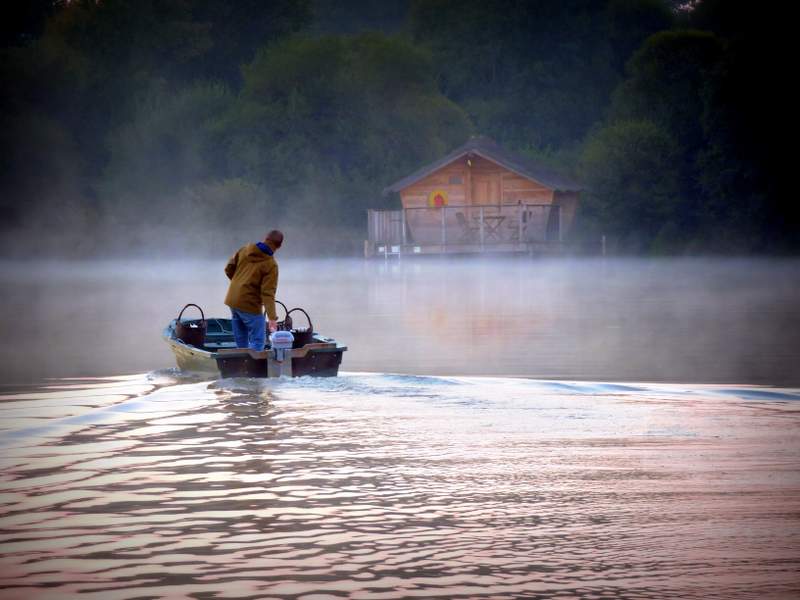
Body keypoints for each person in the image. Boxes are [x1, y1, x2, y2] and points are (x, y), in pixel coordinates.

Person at [224, 230, 283, 351]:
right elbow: (267, 293)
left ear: (265, 238)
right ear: (279, 246)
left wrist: (239, 284)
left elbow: (228, 268)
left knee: (241, 340)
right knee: (258, 340)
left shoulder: (245, 249)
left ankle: (241, 362)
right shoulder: (271, 265)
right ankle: (251, 367)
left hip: (233, 299)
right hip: (250, 304)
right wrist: (272, 318)